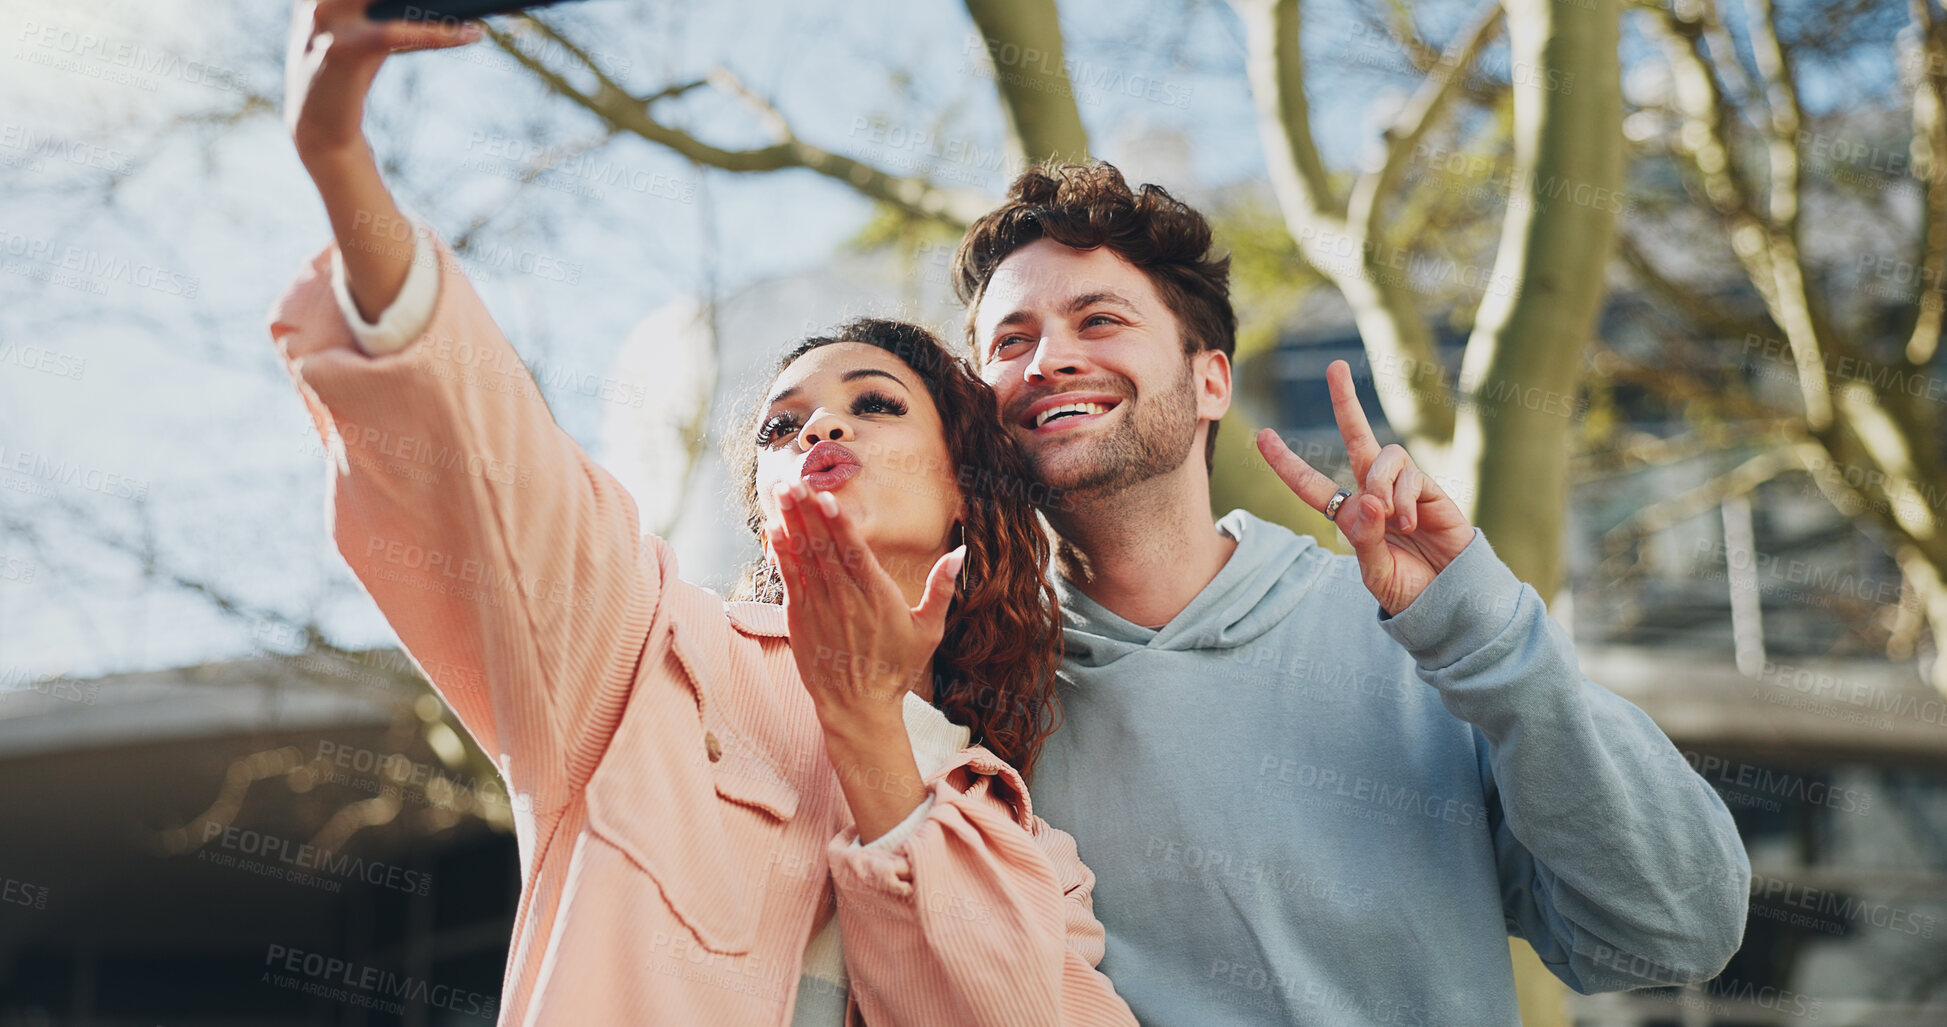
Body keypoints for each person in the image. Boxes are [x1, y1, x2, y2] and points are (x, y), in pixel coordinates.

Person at [268, 5, 1137, 1024]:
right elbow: (493, 462)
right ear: (763, 507)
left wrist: (867, 731)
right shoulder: (648, 663)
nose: (820, 433)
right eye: (780, 427)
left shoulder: (1030, 853)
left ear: (963, 492)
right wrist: (337, 159)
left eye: (875, 404)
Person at [949, 161, 1753, 1024]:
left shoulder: (1428, 635)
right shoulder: (960, 690)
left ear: (1211, 379)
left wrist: (1485, 635)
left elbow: (1675, 932)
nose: (1049, 360)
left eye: (1098, 319)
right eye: (1008, 341)